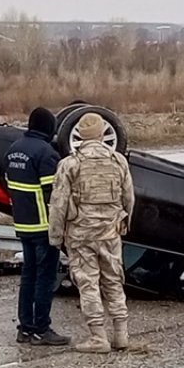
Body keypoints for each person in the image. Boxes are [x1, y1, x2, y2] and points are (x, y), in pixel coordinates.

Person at [49, 112, 135, 354]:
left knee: (88, 283)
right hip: (110, 233)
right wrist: (125, 222)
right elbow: (129, 198)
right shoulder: (118, 161)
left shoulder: (70, 164)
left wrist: (55, 237)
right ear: (100, 135)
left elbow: (59, 204)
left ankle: (98, 337)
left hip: (80, 235)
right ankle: (121, 334)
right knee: (114, 280)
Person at [6, 107, 69, 346]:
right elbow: (54, 195)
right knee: (45, 278)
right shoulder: (46, 153)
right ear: (48, 128)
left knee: (28, 276)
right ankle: (42, 329)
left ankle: (25, 328)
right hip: (44, 227)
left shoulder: (13, 150)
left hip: (23, 225)